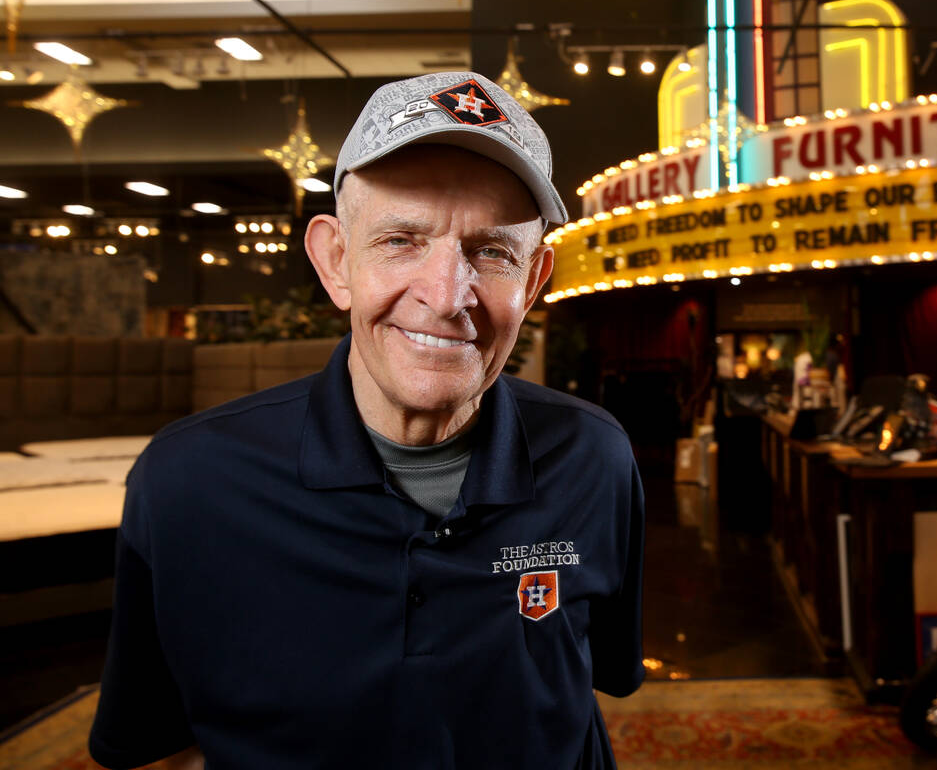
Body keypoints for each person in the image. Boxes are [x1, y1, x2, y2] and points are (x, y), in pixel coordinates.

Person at [88, 72, 645, 769]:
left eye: (493, 252)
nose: (447, 297)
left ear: (533, 282)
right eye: (401, 240)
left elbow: (601, 672)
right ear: (335, 261)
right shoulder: (186, 484)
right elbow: (149, 743)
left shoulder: (595, 456)